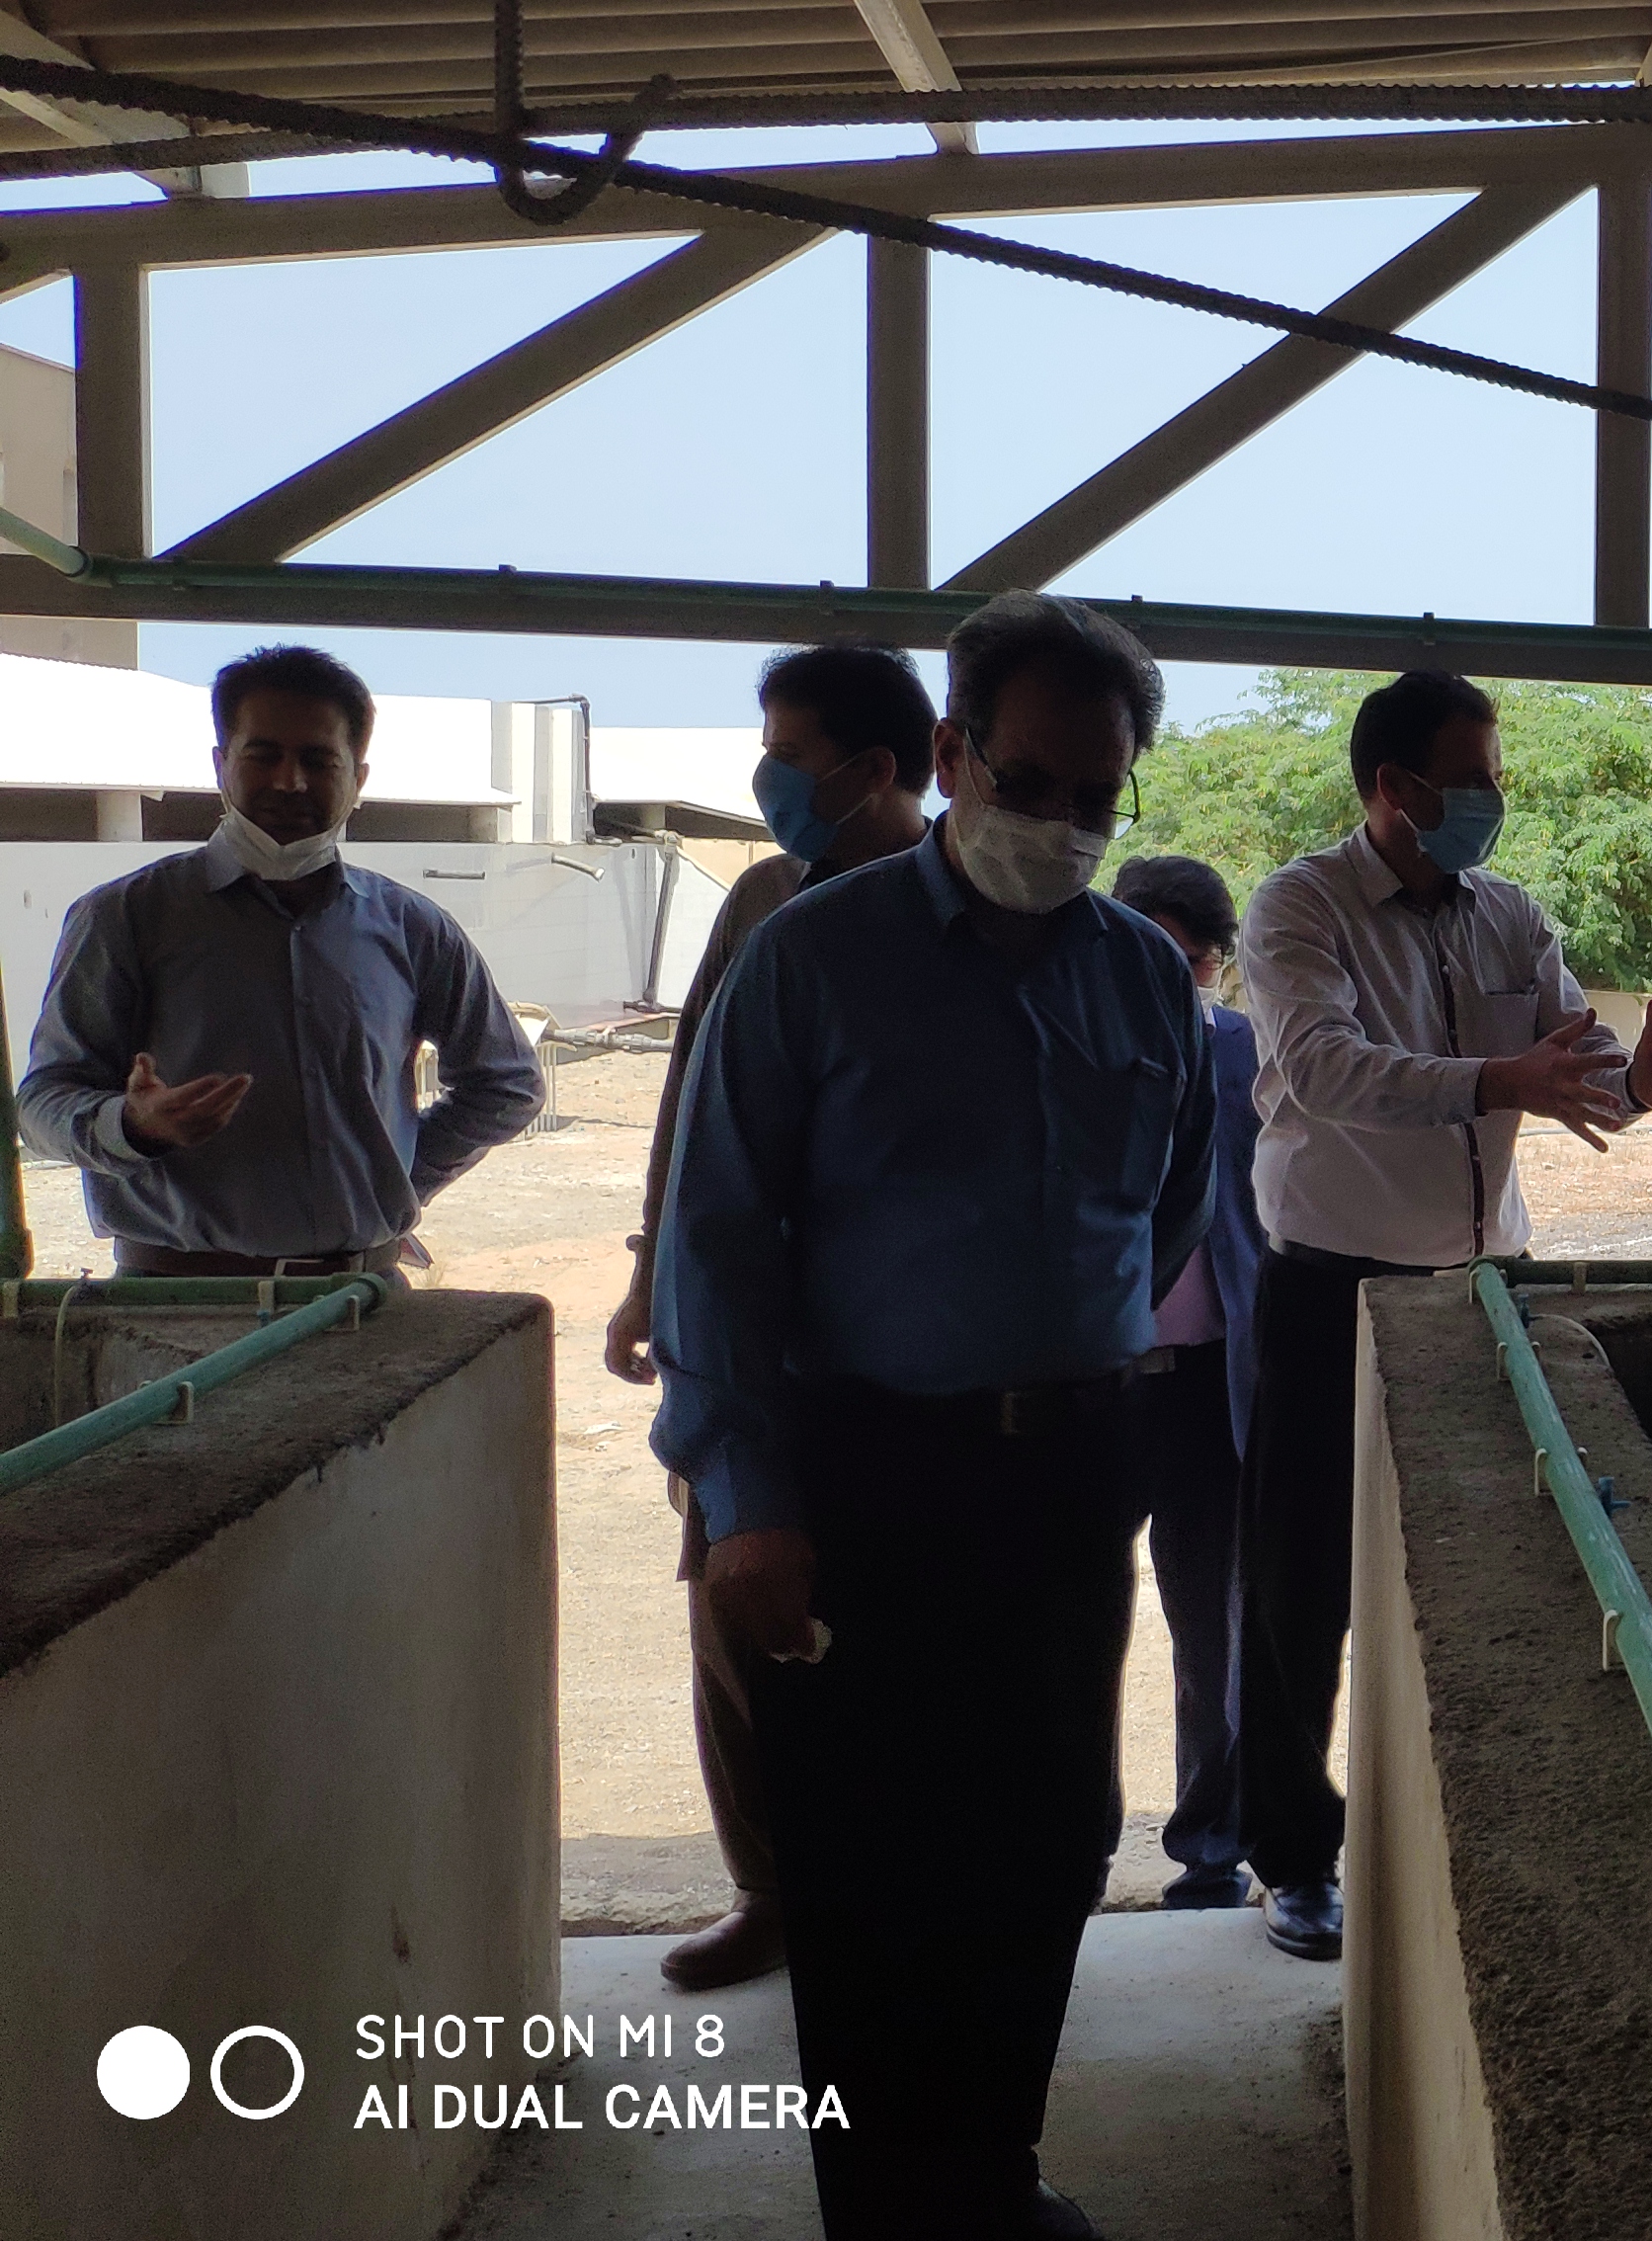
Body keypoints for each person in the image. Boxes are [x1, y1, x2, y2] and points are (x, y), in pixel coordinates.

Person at [651, 592, 1212, 2241]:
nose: (1062, 825)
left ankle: (994, 2174)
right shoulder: (815, 957)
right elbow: (714, 1239)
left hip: (1069, 1482)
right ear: (954, 753)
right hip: (866, 1477)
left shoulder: (1143, 977)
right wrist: (750, 1499)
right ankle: (889, 2211)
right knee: (871, 1871)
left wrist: (1067, 1361)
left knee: (1043, 1844)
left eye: (1096, 797)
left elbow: (1167, 1213)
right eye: (1028, 782)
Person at [1233, 669, 1652, 1962]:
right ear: (1394, 788)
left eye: (1497, 781)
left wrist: (1639, 1083)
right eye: (1472, 784)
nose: (1493, 803)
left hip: (1483, 1294)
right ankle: (1291, 1856)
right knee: (1302, 1584)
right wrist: (1497, 1078)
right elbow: (1323, 1068)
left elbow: (1570, 1069)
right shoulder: (1301, 906)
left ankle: (1459, 1832)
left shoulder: (1509, 914)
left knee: (1488, 1570)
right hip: (1333, 1288)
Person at [606, 638, 937, 1996]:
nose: (768, 781)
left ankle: (898, 1898)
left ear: (874, 769)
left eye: (788, 756)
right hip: (746, 1328)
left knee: (896, 1629)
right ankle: (769, 1892)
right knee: (734, 1606)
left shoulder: (956, 912)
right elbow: (693, 1103)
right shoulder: (759, 899)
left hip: (892, 1347)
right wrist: (653, 1273)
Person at [20, 642, 541, 1278]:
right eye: (263, 755)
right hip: (178, 1301)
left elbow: (506, 1083)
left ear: (358, 779)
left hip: (361, 1297)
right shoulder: (126, 917)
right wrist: (130, 1126)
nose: (289, 782)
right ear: (221, 765)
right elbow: (42, 1104)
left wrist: (393, 1179)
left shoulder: (412, 928)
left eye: (319, 761)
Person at [1104, 851, 1270, 1915]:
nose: (1181, 981)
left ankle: (1213, 1849)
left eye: (1199, 964)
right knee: (1074, 1627)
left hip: (1213, 1385)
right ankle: (1066, 1851)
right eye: (1161, 957)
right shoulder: (1070, 1044)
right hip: (1093, 1385)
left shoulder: (1246, 1051)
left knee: (1219, 1631)